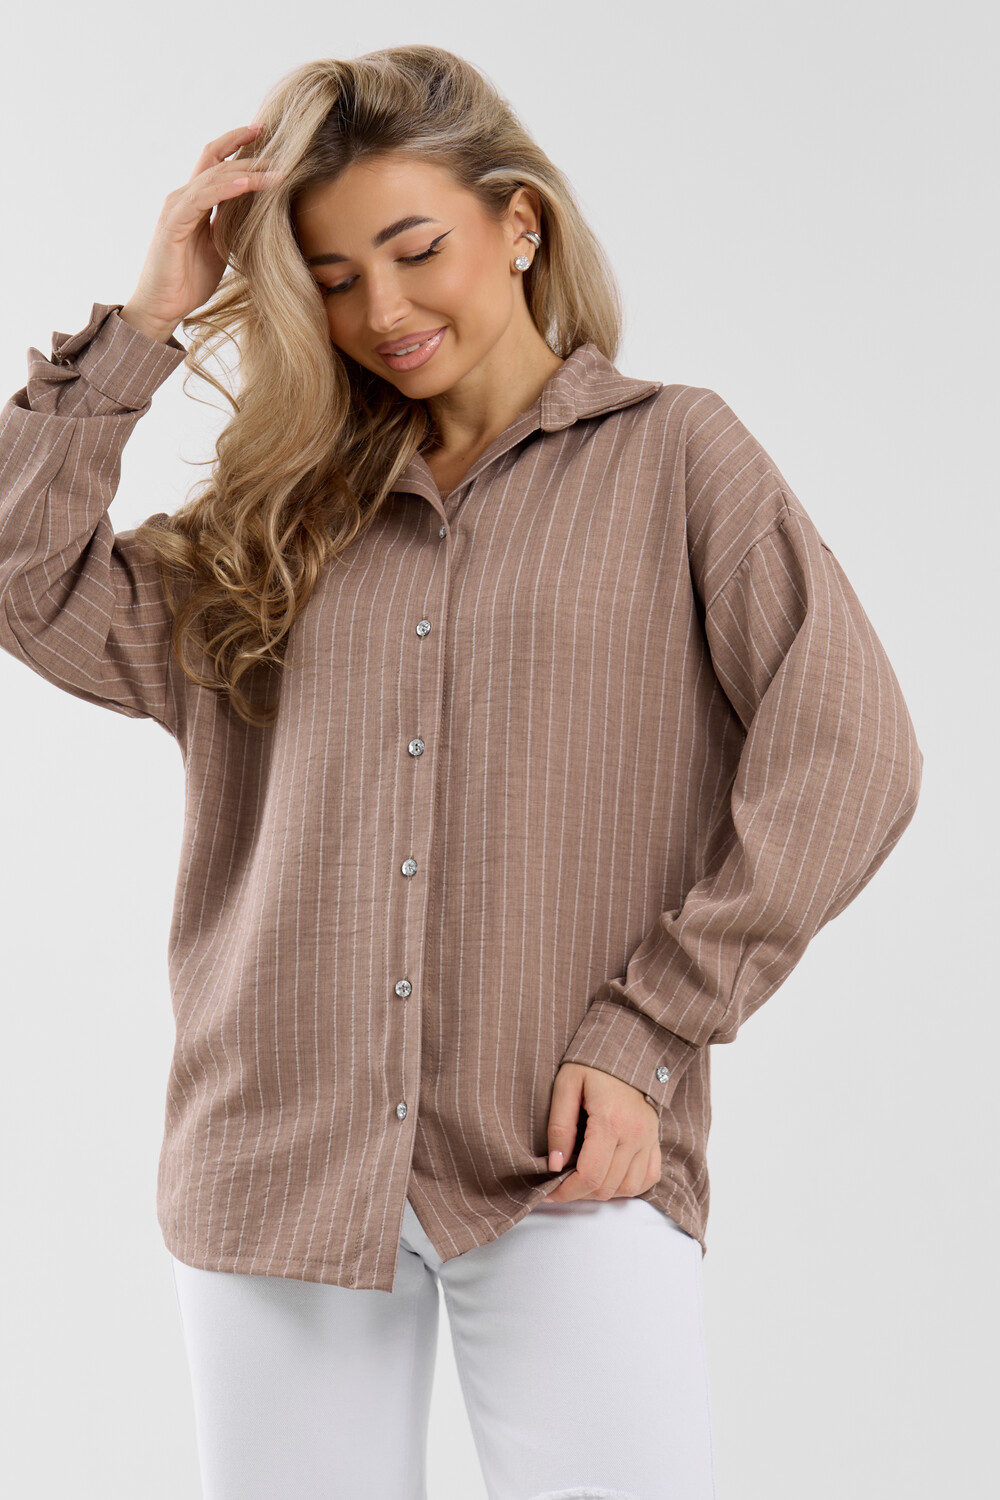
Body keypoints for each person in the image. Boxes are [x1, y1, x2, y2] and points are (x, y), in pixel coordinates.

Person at [0, 44, 923, 1500]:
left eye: (415, 248)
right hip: (278, 1157)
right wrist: (152, 319)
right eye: (332, 277)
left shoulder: (678, 457)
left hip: (566, 1158)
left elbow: (853, 748)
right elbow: (27, 581)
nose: (382, 309)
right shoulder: (276, 516)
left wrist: (651, 1028)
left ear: (520, 222)